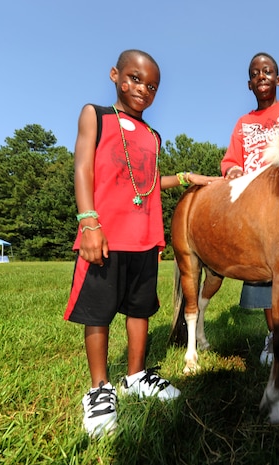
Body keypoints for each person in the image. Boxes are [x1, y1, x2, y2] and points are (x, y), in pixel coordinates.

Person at [64, 49, 220, 438]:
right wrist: (89, 223)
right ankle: (100, 388)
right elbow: (82, 167)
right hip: (103, 234)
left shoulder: (153, 135)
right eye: (134, 79)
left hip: (144, 239)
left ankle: (135, 375)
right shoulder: (95, 115)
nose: (142, 89)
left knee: (140, 310)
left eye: (151, 86)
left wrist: (186, 177)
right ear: (115, 74)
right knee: (98, 313)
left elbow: (149, 183)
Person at [221, 52, 279, 366]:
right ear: (249, 84)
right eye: (256, 73)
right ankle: (274, 335)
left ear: (278, 79)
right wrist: (232, 171)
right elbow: (231, 161)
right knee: (266, 275)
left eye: (268, 71)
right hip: (259, 211)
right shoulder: (244, 123)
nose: (262, 75)